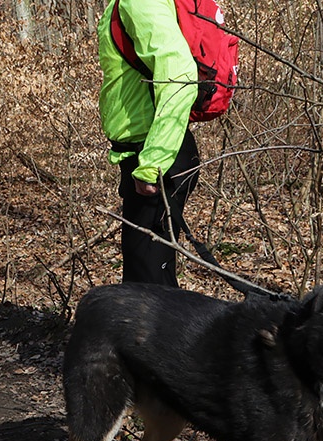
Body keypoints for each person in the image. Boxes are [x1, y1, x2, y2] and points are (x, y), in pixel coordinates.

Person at [98, 0, 200, 287]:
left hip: (157, 154)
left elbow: (180, 74)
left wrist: (152, 162)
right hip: (148, 151)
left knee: (148, 287)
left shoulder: (139, 1)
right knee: (149, 276)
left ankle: (170, 334)